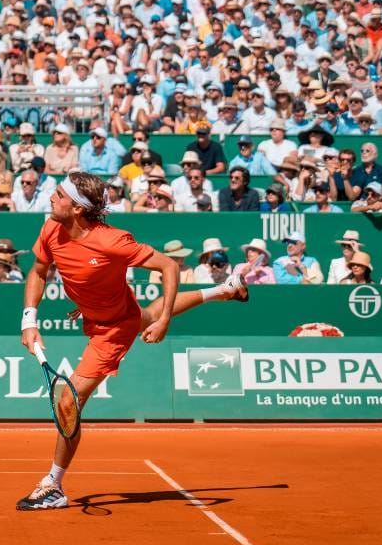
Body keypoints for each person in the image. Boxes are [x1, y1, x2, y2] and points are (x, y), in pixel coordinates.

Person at [16, 171, 247, 510]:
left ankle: (53, 484)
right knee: (149, 314)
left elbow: (168, 266)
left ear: (78, 209)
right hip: (98, 312)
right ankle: (223, 289)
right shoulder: (51, 228)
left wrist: (167, 320)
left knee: (68, 401)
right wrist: (29, 320)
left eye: (60, 194)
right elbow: (38, 271)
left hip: (114, 328)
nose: (52, 197)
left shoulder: (112, 241)